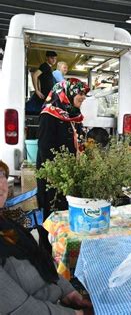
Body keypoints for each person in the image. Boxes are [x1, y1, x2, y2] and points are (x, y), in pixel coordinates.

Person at [0, 161, 93, 315]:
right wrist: (77, 314)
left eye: (1, 175)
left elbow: (42, 262)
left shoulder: (7, 225)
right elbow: (21, 310)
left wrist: (69, 294)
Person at [36, 79, 89, 254]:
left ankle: (64, 251)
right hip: (53, 175)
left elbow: (78, 139)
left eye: (84, 94)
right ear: (67, 93)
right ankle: (46, 252)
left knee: (65, 212)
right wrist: (56, 175)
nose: (83, 97)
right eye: (80, 93)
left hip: (70, 173)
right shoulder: (49, 114)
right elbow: (44, 148)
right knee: (52, 212)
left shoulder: (73, 114)